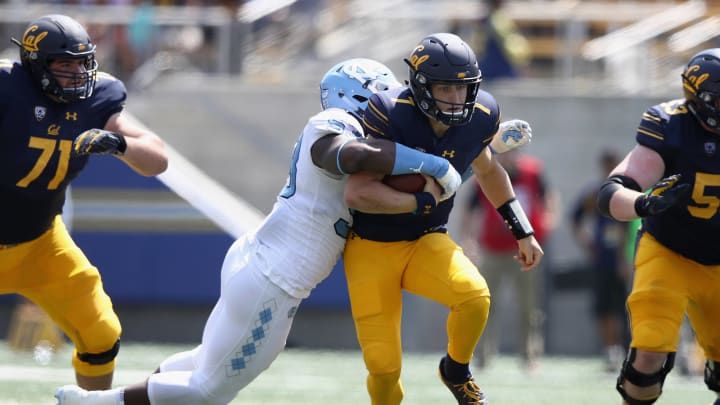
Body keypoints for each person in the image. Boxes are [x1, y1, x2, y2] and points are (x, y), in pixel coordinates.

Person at [54, 57, 470, 405]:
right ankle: (92, 402)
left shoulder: (361, 128)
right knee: (207, 391)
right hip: (276, 278)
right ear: (362, 93)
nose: (395, 107)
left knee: (204, 364)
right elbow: (344, 154)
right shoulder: (334, 122)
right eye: (386, 96)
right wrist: (431, 165)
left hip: (264, 262)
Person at [342, 32, 544, 405]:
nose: (457, 99)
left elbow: (489, 170)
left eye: (463, 89)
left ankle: (455, 369)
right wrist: (419, 200)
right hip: (370, 246)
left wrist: (522, 230)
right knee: (384, 371)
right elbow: (358, 193)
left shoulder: (480, 114)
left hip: (425, 239)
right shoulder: (389, 112)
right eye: (446, 89)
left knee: (475, 298)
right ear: (420, 86)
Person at [0, 14, 168, 391]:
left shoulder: (99, 99)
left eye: (82, 62)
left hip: (39, 245)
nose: (77, 73)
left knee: (101, 333)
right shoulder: (7, 87)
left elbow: (157, 157)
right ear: (35, 65)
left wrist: (120, 144)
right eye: (64, 64)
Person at [596, 48, 720, 405]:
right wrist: (643, 203)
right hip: (670, 251)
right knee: (649, 355)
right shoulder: (671, 125)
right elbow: (613, 192)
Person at [461, 147, 557, 372]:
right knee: (485, 304)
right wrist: (468, 239)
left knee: (529, 306)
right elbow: (470, 208)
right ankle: (482, 355)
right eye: (502, 152)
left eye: (511, 153)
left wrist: (546, 225)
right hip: (493, 249)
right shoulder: (486, 172)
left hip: (524, 250)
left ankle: (529, 356)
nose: (507, 157)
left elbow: (549, 198)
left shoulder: (532, 173)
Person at [570, 148, 630, 373]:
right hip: (602, 260)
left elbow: (629, 228)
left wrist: (626, 258)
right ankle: (611, 352)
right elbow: (575, 218)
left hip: (621, 261)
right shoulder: (595, 194)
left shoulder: (626, 192)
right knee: (604, 308)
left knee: (624, 309)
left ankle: (627, 352)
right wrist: (587, 244)